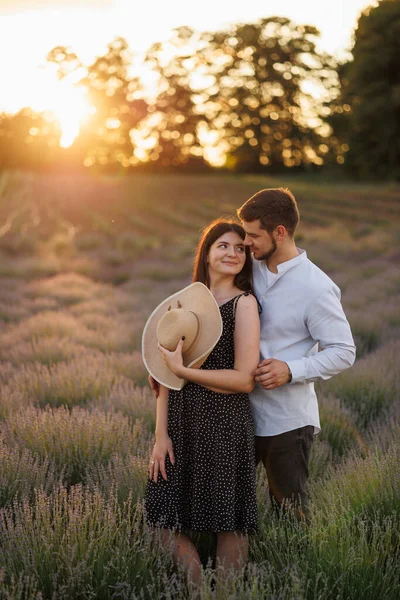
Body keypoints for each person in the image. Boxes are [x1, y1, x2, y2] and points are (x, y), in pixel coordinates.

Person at [144, 219, 261, 587]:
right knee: (161, 519)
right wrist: (160, 435)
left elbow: (244, 379)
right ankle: (199, 593)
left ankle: (225, 594)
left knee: (229, 518)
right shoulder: (182, 306)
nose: (232, 253)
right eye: (224, 246)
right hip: (180, 422)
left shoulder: (244, 304)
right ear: (207, 253)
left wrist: (186, 371)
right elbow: (165, 378)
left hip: (225, 423)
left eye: (240, 248)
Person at [237, 187, 356, 521]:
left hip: (287, 421)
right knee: (231, 505)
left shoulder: (316, 287)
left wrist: (291, 369)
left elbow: (344, 351)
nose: (246, 243)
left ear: (280, 232)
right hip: (238, 411)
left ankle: (291, 570)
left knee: (289, 515)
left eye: (253, 235)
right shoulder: (247, 268)